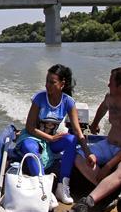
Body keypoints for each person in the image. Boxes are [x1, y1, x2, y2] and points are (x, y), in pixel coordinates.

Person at [66, 66, 121, 212]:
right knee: (77, 155)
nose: (108, 85)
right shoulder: (111, 97)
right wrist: (95, 123)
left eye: (111, 82)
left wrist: (108, 166)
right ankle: (110, 193)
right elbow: (103, 108)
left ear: (120, 86)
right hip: (109, 144)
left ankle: (87, 201)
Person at [14, 64, 91, 204]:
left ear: (62, 84)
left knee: (71, 140)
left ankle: (62, 187)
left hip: (51, 141)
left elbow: (78, 130)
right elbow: (30, 127)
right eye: (47, 81)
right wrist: (50, 137)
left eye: (52, 82)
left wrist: (88, 152)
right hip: (34, 136)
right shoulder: (39, 98)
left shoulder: (68, 102)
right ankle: (44, 190)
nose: (47, 85)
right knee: (29, 147)